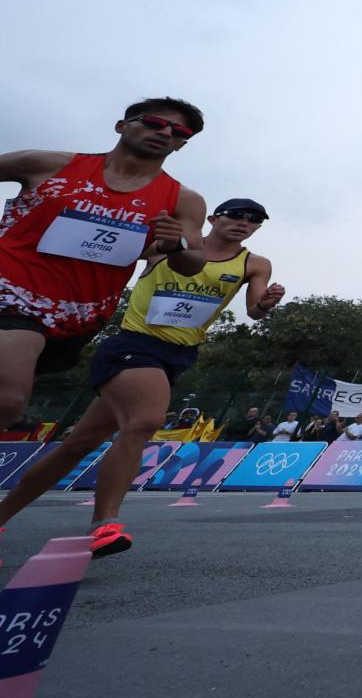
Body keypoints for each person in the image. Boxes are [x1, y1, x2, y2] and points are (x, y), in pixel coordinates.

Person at [0, 197, 280, 556]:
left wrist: (267, 303)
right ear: (213, 218)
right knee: (145, 420)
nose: (244, 222)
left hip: (178, 355)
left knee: (78, 445)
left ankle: (4, 513)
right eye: (236, 215)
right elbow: (102, 246)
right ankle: (104, 525)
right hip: (134, 344)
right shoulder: (166, 246)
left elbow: (255, 312)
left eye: (254, 219)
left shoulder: (254, 264)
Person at [0, 98, 209, 431]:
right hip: (12, 291)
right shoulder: (49, 164)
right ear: (122, 125)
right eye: (154, 123)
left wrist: (176, 245)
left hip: (79, 317)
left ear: (182, 144)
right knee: (8, 399)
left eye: (178, 131)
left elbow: (193, 263)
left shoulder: (183, 200)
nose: (165, 132)